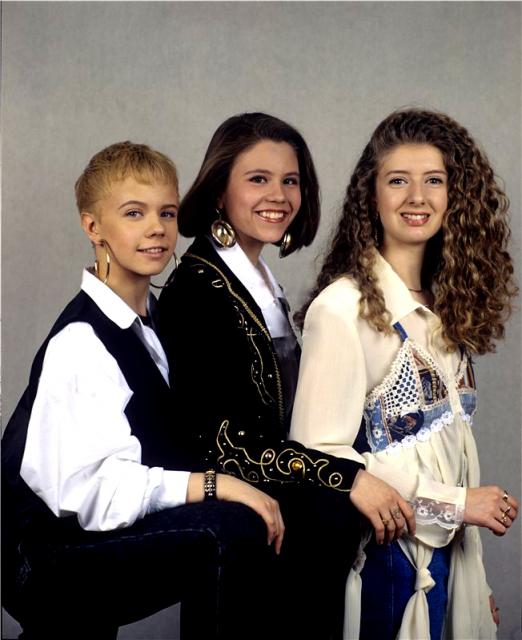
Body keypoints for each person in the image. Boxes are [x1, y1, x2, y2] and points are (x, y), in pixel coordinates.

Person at [1, 141, 286, 640]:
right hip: (42, 558)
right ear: (93, 226)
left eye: (167, 213)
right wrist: (215, 485)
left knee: (259, 513)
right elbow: (92, 494)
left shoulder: (155, 322)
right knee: (228, 528)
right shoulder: (81, 340)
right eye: (134, 213)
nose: (156, 227)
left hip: (88, 535)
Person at [157, 112, 415, 639]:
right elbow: (222, 444)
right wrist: (346, 477)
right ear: (220, 189)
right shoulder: (198, 289)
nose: (278, 195)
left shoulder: (256, 280)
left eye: (290, 180)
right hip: (245, 534)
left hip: (287, 522)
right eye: (258, 179)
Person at [290, 108, 519, 640]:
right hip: (393, 565)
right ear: (371, 196)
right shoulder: (342, 308)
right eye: (398, 181)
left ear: (455, 195)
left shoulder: (446, 306)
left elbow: (447, 448)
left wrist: (474, 582)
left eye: (433, 180)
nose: (417, 197)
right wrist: (461, 504)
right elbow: (318, 454)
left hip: (451, 558)